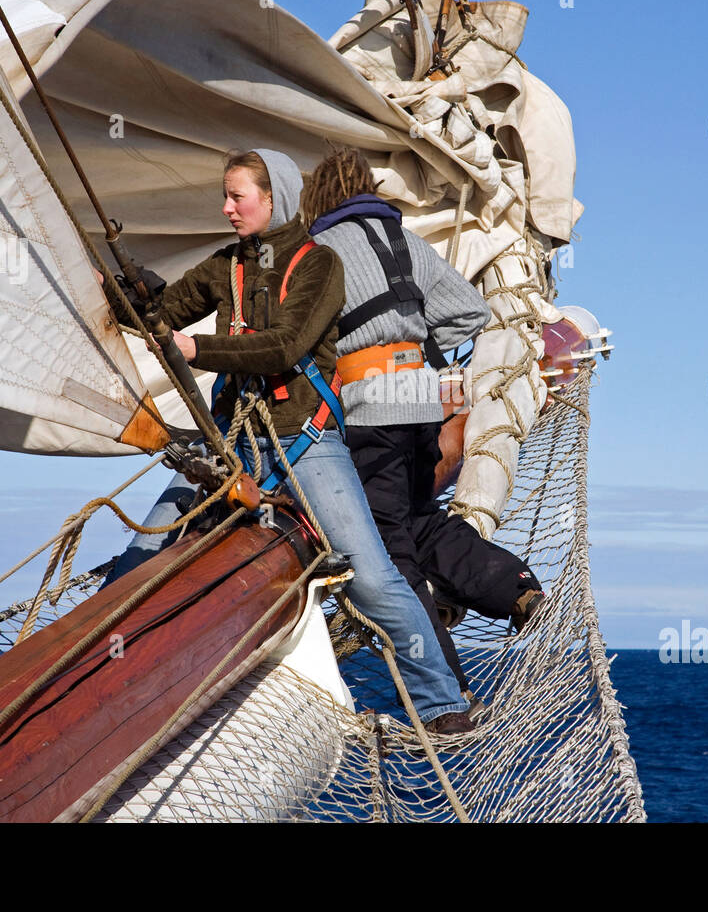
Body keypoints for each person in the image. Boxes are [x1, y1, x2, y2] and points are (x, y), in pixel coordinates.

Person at [103, 148, 472, 734]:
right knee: (137, 561)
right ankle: (102, 685)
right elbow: (164, 311)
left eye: (237, 196)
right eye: (224, 197)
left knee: (371, 575)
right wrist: (124, 291)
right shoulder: (227, 265)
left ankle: (441, 702)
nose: (226, 209)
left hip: (303, 440)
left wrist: (197, 349)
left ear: (273, 198)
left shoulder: (319, 264)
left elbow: (283, 346)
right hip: (232, 442)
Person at [301, 146, 546, 685]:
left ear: (317, 198)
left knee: (391, 554)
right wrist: (410, 345)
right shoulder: (403, 241)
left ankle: (445, 691)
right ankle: (516, 589)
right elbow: (471, 312)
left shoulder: (317, 251)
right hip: (421, 407)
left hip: (370, 412)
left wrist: (363, 350)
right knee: (420, 518)